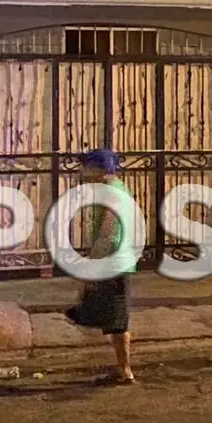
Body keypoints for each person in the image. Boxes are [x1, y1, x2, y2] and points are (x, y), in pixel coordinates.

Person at [64, 148, 138, 384]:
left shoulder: (112, 194)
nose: (82, 171)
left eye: (86, 166)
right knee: (113, 318)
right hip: (115, 261)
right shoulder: (112, 190)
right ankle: (122, 369)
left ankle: (125, 371)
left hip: (112, 263)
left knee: (117, 319)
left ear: (98, 169)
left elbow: (108, 235)